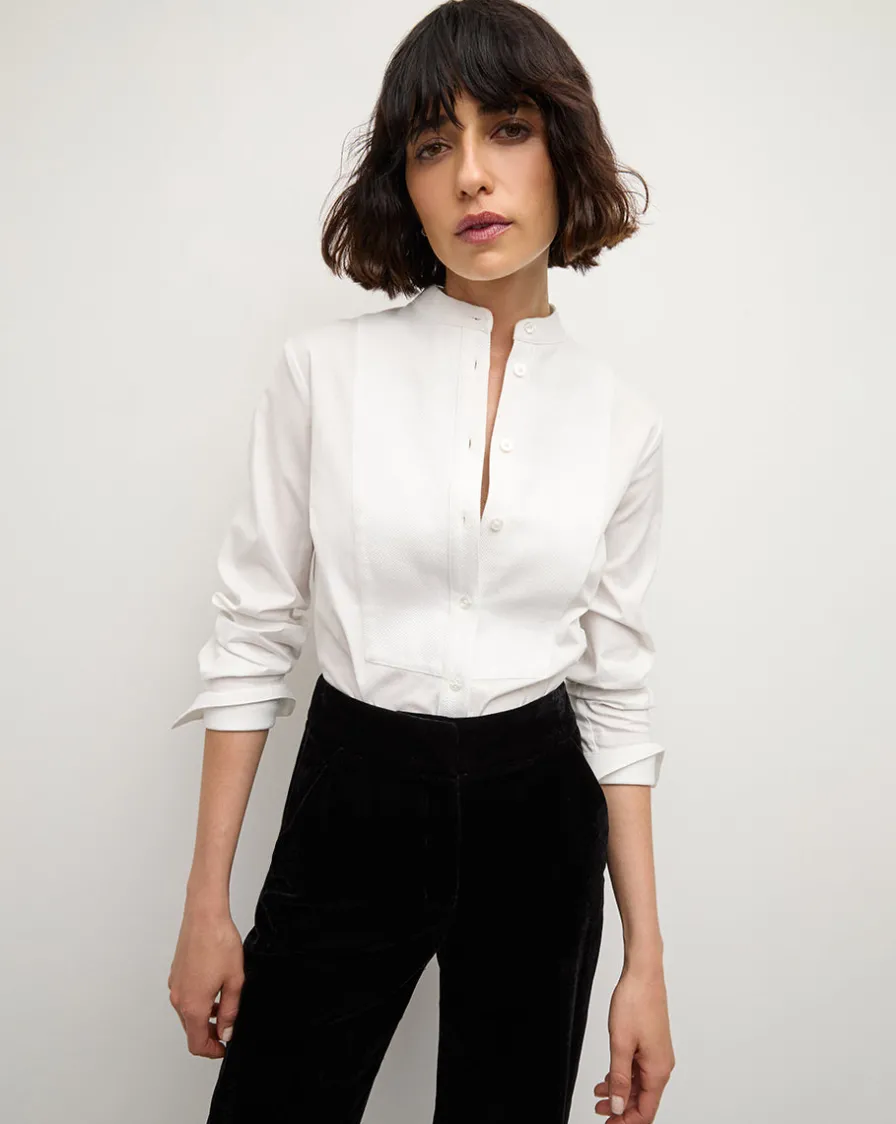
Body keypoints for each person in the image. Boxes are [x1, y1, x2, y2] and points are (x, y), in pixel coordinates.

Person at [167, 1, 675, 1121]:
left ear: (564, 149)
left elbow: (614, 689)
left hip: (540, 813)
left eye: (508, 129)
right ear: (404, 181)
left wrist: (644, 960)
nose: (471, 176)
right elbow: (251, 632)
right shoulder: (321, 375)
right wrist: (207, 902)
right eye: (433, 144)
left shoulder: (621, 422)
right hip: (355, 789)